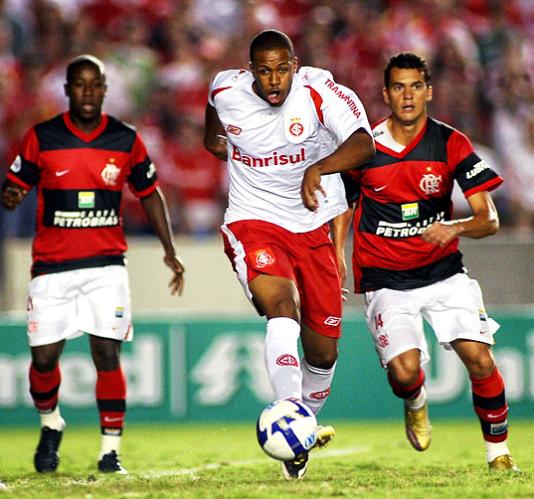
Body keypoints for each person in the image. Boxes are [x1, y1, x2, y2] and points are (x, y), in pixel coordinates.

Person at [1, 54, 185, 474]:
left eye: (95, 84)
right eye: (79, 84)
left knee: (106, 353)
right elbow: (14, 185)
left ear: (105, 89)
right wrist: (10, 195)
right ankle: (51, 423)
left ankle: (109, 451)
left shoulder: (125, 139)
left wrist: (169, 250)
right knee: (43, 360)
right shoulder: (42, 137)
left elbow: (150, 193)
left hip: (106, 266)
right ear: (67, 90)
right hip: (51, 266)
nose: (87, 92)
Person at [204, 29, 375, 480]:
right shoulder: (227, 89)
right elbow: (212, 110)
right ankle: (290, 413)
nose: (274, 80)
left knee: (323, 355)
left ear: (295, 65)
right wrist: (213, 141)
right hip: (253, 221)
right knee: (282, 307)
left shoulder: (320, 91)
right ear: (250, 71)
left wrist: (318, 168)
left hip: (314, 227)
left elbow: (364, 144)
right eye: (264, 71)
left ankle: (300, 434)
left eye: (282, 69)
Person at [338, 52, 519, 472]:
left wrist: (454, 228)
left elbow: (489, 219)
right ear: (386, 94)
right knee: (404, 373)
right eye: (398, 87)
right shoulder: (365, 147)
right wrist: (335, 256)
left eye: (415, 86)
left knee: (480, 359)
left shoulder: (450, 142)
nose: (407, 95)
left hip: (443, 274)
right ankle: (415, 401)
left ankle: (498, 453)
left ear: (429, 91)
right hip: (385, 279)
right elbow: (342, 204)